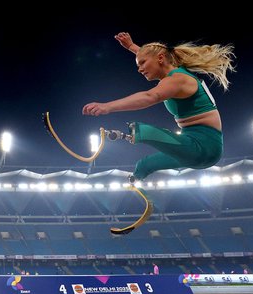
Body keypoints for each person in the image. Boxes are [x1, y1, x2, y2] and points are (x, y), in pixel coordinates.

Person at [83, 32, 235, 183]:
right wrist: (131, 47)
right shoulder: (173, 73)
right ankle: (139, 190)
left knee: (142, 130)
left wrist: (107, 107)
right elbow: (154, 55)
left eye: (142, 63)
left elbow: (149, 97)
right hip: (194, 149)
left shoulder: (178, 79)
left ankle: (132, 134)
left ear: (161, 58)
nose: (139, 69)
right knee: (144, 165)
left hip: (203, 148)